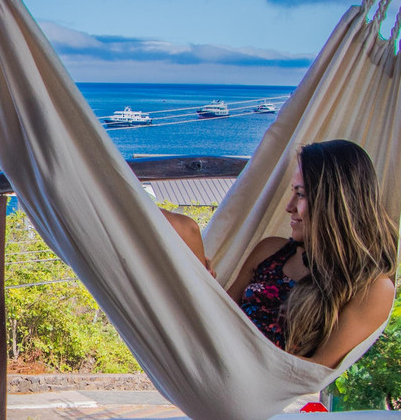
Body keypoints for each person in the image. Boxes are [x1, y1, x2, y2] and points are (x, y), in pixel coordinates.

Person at [165, 139, 396, 368]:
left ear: (335, 201)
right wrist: (205, 282)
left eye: (301, 194)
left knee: (185, 229)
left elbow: (317, 368)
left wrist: (246, 357)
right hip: (214, 351)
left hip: (253, 375)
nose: (289, 206)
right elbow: (224, 316)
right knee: (182, 230)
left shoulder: (371, 288)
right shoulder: (270, 251)